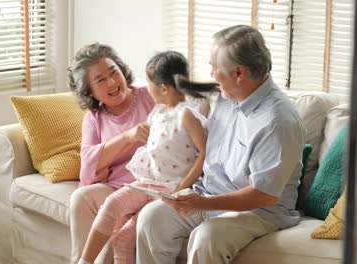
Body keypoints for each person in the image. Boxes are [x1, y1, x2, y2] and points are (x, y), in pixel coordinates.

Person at [136, 25, 307, 264]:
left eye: (215, 68)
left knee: (206, 238)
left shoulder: (278, 121)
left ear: (239, 73)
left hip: (257, 212)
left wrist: (203, 203)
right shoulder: (226, 96)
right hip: (209, 194)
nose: (213, 74)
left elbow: (264, 195)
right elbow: (177, 95)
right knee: (151, 218)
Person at [78, 51, 218, 264]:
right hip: (146, 182)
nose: (144, 88)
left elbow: (204, 152)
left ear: (163, 88)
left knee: (124, 238)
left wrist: (182, 187)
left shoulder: (187, 115)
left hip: (169, 189)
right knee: (111, 205)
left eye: (149, 82)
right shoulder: (158, 112)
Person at [67, 43, 155, 264]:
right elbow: (88, 168)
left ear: (122, 69)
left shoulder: (150, 97)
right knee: (81, 197)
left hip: (150, 190)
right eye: (100, 80)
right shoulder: (94, 118)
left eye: (114, 72)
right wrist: (129, 137)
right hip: (115, 190)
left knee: (115, 234)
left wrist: (105, 160)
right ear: (91, 92)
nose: (112, 82)